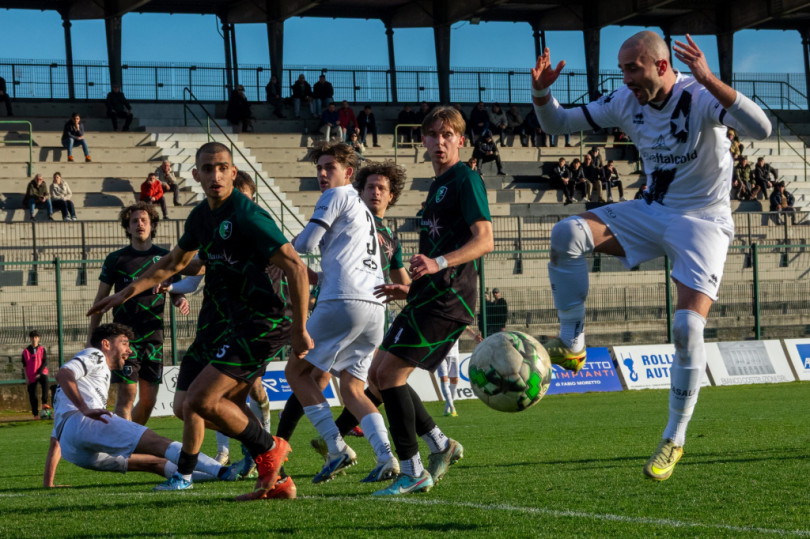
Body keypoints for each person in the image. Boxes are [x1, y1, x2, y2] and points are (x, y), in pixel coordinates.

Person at [531, 31, 770, 481]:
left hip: (703, 221)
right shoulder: (626, 99)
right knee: (567, 234)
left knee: (685, 327)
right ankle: (574, 343)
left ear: (661, 66)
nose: (625, 77)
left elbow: (762, 128)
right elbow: (556, 125)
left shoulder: (698, 96)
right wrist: (542, 92)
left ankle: (674, 438)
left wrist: (710, 78)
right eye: (621, 69)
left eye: (632, 68)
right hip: (652, 209)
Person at [88, 141, 313, 500]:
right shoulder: (201, 217)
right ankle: (278, 481)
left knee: (200, 400)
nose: (215, 175)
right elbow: (173, 263)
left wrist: (301, 328)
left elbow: (297, 267)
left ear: (233, 172)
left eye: (222, 167)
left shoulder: (247, 214)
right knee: (220, 406)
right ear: (195, 174)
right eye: (207, 169)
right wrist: (125, 292)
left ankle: (269, 448)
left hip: (265, 322)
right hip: (238, 323)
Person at [370, 105, 494, 496]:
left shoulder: (465, 179)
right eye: (432, 135)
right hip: (428, 296)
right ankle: (441, 445)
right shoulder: (437, 185)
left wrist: (438, 262)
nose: (439, 142)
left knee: (389, 376)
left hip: (449, 300)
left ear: (460, 139)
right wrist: (410, 288)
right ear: (422, 140)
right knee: (378, 375)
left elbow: (485, 239)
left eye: (447, 135)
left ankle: (412, 469)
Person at [284, 142, 397, 486]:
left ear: (348, 173)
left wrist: (276, 250)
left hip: (343, 300)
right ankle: (386, 457)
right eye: (319, 167)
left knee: (296, 371)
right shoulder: (363, 209)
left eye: (329, 167)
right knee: (352, 389)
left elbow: (305, 245)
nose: (322, 173)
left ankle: (336, 448)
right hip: (375, 306)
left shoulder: (335, 196)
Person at [161, 172, 273, 477]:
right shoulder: (215, 235)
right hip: (207, 331)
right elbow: (194, 276)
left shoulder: (259, 237)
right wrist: (169, 285)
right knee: (185, 407)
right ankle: (261, 445)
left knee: (225, 399)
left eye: (244, 198)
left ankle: (256, 450)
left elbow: (290, 270)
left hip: (239, 333)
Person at [43, 323, 236, 488]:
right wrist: (85, 409)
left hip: (72, 449)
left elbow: (55, 438)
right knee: (157, 442)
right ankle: (224, 471)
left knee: (152, 463)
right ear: (106, 344)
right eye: (125, 343)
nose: (130, 350)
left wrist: (48, 482)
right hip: (85, 424)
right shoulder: (95, 355)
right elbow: (64, 374)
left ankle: (213, 477)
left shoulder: (85, 382)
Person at [87, 202, 188, 425]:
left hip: (154, 337)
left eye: (144, 220)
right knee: (127, 395)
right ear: (128, 227)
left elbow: (174, 291)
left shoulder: (166, 258)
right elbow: (100, 300)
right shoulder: (116, 259)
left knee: (148, 401)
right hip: (124, 339)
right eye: (134, 221)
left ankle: (130, 441)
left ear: (152, 225)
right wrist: (92, 338)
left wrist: (180, 299)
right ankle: (124, 448)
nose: (139, 224)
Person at [22, 330, 49, 419]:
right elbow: (24, 365)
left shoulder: (42, 349)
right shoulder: (25, 351)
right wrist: (26, 377)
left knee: (45, 381)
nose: (34, 339)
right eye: (33, 337)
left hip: (41, 372)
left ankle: (44, 403)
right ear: (30, 338)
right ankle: (35, 414)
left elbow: (44, 362)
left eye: (36, 337)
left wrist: (39, 373)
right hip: (30, 375)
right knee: (33, 395)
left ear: (38, 338)